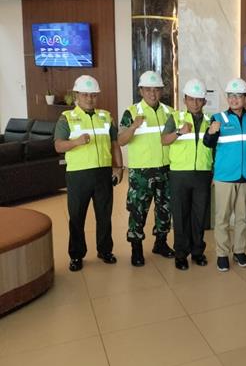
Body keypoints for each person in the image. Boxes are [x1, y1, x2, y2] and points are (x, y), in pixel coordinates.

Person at [54, 75, 123, 271]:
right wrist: (76, 142)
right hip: (78, 175)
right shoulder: (66, 118)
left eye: (93, 95)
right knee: (77, 217)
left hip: (103, 174)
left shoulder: (106, 116)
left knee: (104, 215)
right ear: (77, 95)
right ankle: (76, 255)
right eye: (85, 94)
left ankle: (105, 250)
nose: (90, 98)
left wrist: (119, 167)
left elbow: (115, 144)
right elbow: (58, 146)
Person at [118, 71, 175, 266]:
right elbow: (121, 141)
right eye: (148, 89)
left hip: (166, 169)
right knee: (138, 210)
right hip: (141, 173)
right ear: (141, 90)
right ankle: (136, 248)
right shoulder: (131, 112)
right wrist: (133, 127)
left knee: (165, 209)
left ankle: (161, 243)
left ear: (161, 91)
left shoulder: (169, 112)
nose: (152, 93)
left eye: (156, 89)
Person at [203, 78, 246, 272]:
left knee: (242, 218)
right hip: (225, 177)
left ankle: (240, 251)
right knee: (222, 218)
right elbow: (208, 144)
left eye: (238, 96)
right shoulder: (218, 118)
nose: (234, 99)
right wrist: (211, 132)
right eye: (231, 96)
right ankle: (222, 254)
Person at [161, 78, 213, 270]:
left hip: (203, 174)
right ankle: (181, 254)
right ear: (185, 100)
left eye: (199, 99)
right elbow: (164, 140)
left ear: (204, 101)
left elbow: (215, 147)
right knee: (181, 215)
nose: (195, 103)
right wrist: (179, 132)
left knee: (199, 216)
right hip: (179, 174)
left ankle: (198, 252)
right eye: (191, 99)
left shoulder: (210, 121)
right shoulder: (175, 118)